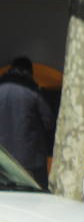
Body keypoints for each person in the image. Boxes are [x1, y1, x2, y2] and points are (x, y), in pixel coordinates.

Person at [0, 57, 54, 187]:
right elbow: (49, 122)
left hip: (3, 159)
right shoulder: (34, 92)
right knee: (35, 197)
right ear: (29, 72)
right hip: (30, 160)